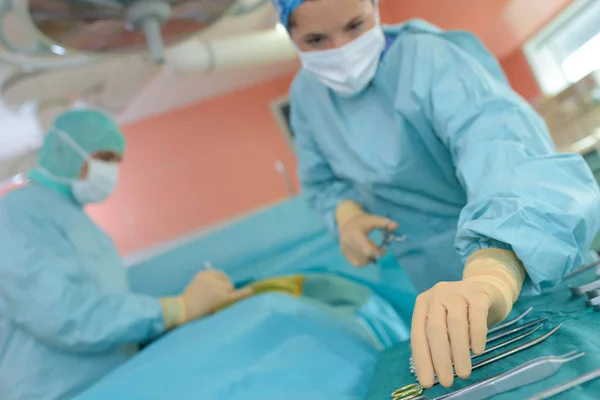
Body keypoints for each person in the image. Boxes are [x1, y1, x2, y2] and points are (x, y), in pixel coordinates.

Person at [274, 0, 600, 389]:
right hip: (432, 278)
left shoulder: (431, 59)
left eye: (355, 26)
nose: (340, 49)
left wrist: (495, 267)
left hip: (528, 256)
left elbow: (501, 146)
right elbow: (322, 181)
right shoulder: (308, 97)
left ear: (375, 8)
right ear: (289, 36)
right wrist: (346, 215)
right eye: (315, 39)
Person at [0, 109, 252, 400]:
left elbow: (109, 315)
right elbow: (64, 315)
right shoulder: (18, 213)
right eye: (105, 158)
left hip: (113, 385)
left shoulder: (87, 228)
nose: (111, 171)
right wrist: (176, 309)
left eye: (117, 162)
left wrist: (184, 313)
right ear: (65, 152)